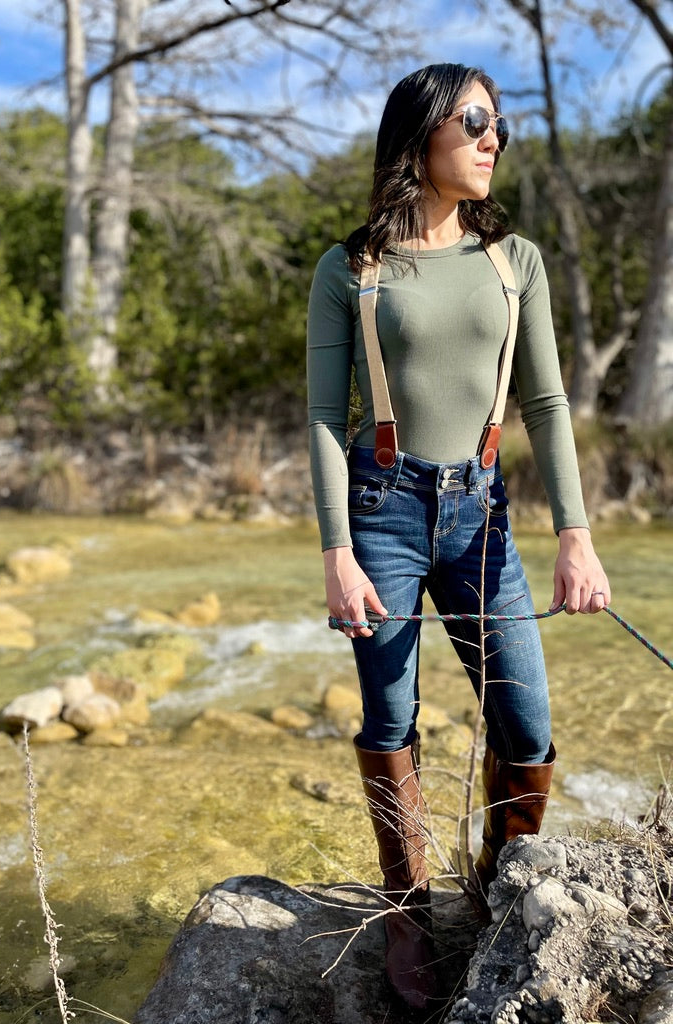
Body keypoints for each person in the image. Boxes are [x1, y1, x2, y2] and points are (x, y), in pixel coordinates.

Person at [306, 63, 610, 1010]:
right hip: (381, 510)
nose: (493, 139)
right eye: (475, 120)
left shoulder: (514, 262)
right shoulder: (349, 268)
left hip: (482, 512)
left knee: (527, 721)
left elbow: (549, 403)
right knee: (391, 721)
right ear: (422, 135)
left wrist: (577, 534)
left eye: (498, 124)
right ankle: (405, 910)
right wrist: (338, 553)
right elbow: (323, 417)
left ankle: (496, 889)